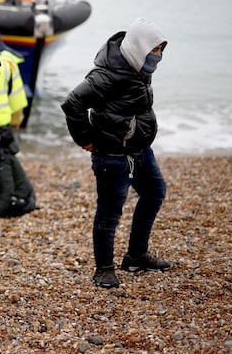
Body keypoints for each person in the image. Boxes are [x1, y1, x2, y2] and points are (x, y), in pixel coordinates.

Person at [61, 17, 172, 289]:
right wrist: (85, 139)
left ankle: (135, 257)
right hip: (111, 155)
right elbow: (72, 104)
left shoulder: (139, 67)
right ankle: (104, 270)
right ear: (138, 47)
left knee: (155, 192)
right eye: (154, 50)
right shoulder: (106, 75)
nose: (157, 56)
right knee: (109, 213)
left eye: (159, 50)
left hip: (140, 150)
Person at [0, 26, 36, 219]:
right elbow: (17, 99)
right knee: (2, 162)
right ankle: (0, 197)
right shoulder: (8, 64)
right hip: (1, 123)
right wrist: (16, 123)